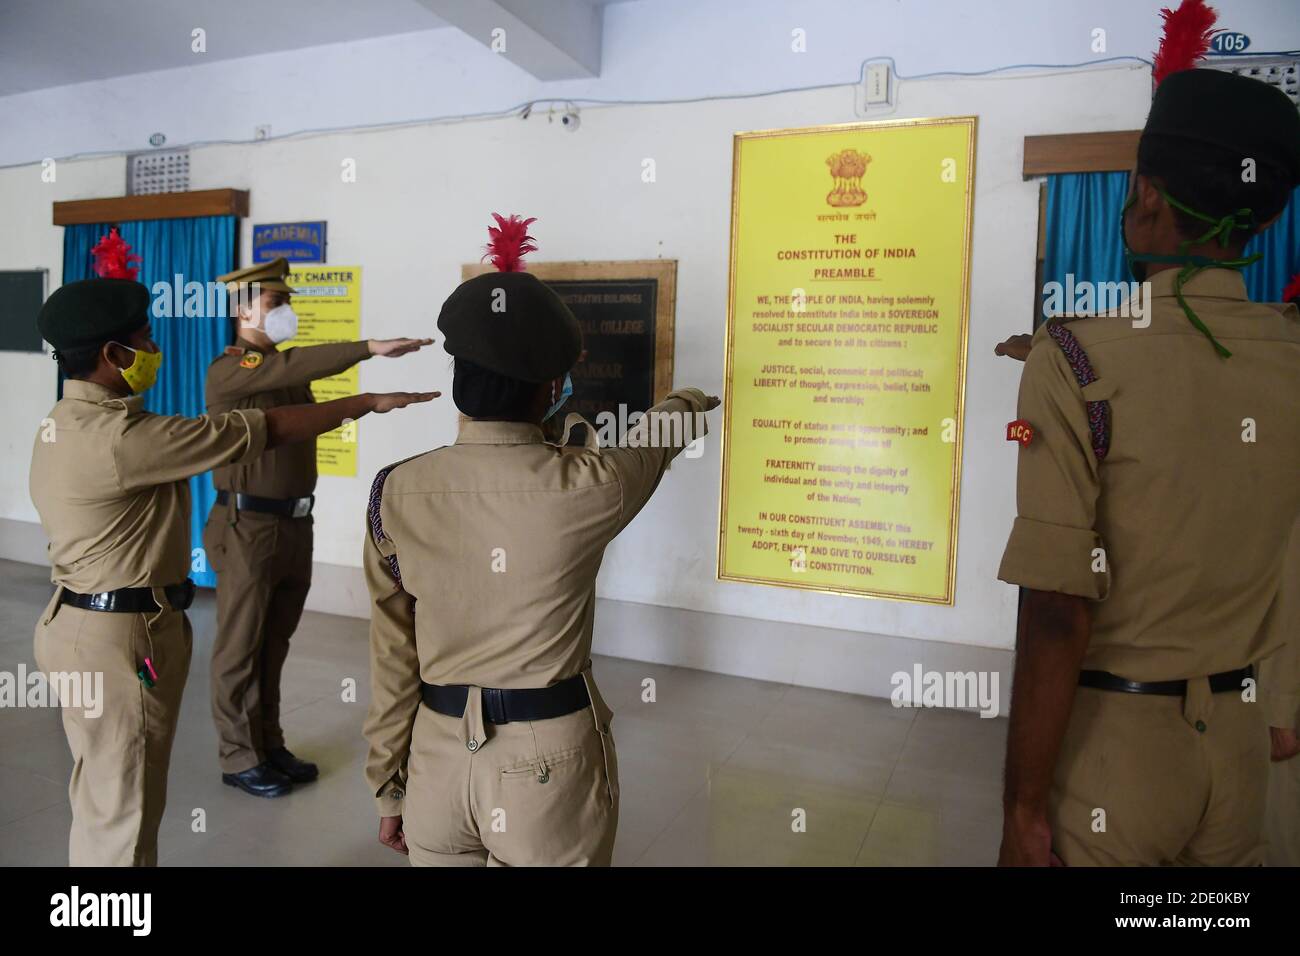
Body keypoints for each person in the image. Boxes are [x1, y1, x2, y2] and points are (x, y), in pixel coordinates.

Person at [30, 230, 436, 865]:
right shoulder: (137, 430)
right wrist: (364, 394)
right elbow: (263, 423)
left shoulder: (65, 421)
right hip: (123, 626)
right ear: (111, 353)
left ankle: (263, 744)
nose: (155, 349)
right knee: (125, 811)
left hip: (88, 619)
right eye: (143, 342)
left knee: (109, 795)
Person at [994, 65, 1300, 866]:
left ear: (1151, 196)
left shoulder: (1073, 358)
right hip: (1239, 751)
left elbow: (1059, 608)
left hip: (1117, 758)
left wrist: (1023, 811)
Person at [362, 215, 719, 865]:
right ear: (553, 389)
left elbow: (391, 654)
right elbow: (656, 440)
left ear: (459, 382)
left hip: (435, 760)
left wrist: (390, 787)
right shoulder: (592, 485)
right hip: (547, 764)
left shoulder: (395, 492)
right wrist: (690, 400)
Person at [204, 257, 432, 798]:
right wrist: (368, 350)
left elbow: (296, 379)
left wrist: (370, 395)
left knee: (273, 644)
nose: (286, 311)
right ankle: (239, 756)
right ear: (241, 310)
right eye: (273, 303)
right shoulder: (230, 370)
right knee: (239, 648)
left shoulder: (281, 372)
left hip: (291, 524)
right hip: (246, 524)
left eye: (287, 302)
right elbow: (294, 368)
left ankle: (268, 744)